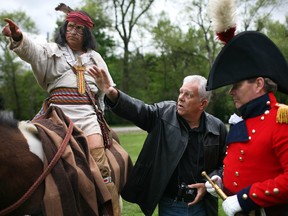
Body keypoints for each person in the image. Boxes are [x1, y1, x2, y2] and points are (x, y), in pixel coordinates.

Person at [2, 9, 121, 215]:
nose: (73, 31)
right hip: (56, 115)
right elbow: (32, 52)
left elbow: (107, 90)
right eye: (70, 26)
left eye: (79, 28)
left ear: (86, 34)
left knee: (101, 164)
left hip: (87, 115)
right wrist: (19, 36)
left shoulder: (96, 58)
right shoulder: (51, 50)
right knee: (37, 151)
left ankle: (110, 209)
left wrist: (101, 106)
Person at [88, 65, 228, 216]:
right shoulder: (164, 114)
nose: (181, 97)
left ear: (203, 103)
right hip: (171, 204)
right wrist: (112, 93)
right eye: (181, 92)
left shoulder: (217, 127)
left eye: (188, 95)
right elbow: (139, 110)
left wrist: (208, 185)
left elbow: (225, 164)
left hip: (204, 206)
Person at [205, 31, 288, 216]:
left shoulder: (281, 119)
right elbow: (244, 166)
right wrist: (222, 181)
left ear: (258, 84)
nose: (231, 92)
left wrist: (247, 198)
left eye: (236, 85)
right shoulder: (243, 120)